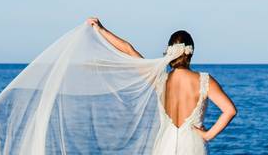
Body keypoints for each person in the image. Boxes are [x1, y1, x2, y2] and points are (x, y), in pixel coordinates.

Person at [86, 17, 237, 154]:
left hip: (165, 146)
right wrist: (208, 135)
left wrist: (101, 30)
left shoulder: (160, 79)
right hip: (192, 146)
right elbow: (230, 110)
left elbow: (128, 50)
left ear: (170, 51)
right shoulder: (204, 80)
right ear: (190, 52)